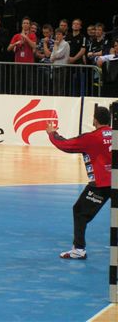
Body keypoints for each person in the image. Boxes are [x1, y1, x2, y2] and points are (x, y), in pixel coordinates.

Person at [46, 106, 112, 260]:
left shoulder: (91, 138)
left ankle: (79, 249)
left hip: (102, 185)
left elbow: (66, 145)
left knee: (79, 211)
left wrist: (52, 134)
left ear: (95, 120)